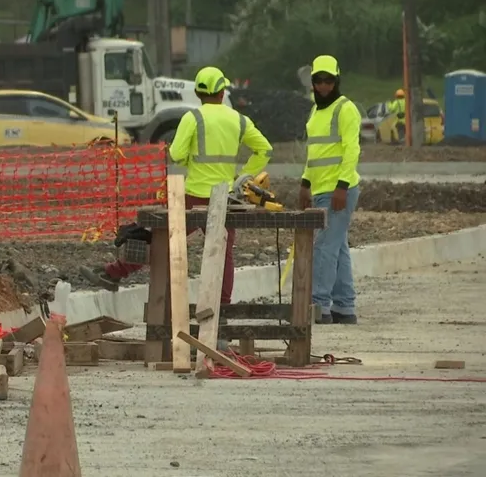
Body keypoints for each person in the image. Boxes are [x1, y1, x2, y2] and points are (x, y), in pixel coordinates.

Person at [81, 66, 273, 308]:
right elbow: (265, 149)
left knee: (161, 240)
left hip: (193, 197)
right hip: (223, 199)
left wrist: (186, 160)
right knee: (224, 255)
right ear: (222, 92)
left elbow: (176, 154)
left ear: (198, 93)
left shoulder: (192, 118)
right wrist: (244, 176)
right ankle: (222, 308)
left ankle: (113, 273)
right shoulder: (239, 120)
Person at [300, 55, 362, 325]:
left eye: (328, 81)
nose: (323, 86)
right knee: (338, 247)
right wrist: (305, 183)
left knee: (324, 247)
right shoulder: (315, 111)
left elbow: (352, 150)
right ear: (312, 82)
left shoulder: (345, 109)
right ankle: (344, 307)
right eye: (318, 81)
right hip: (321, 188)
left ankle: (320, 305)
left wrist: (342, 186)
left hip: (339, 189)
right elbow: (314, 152)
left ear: (337, 81)